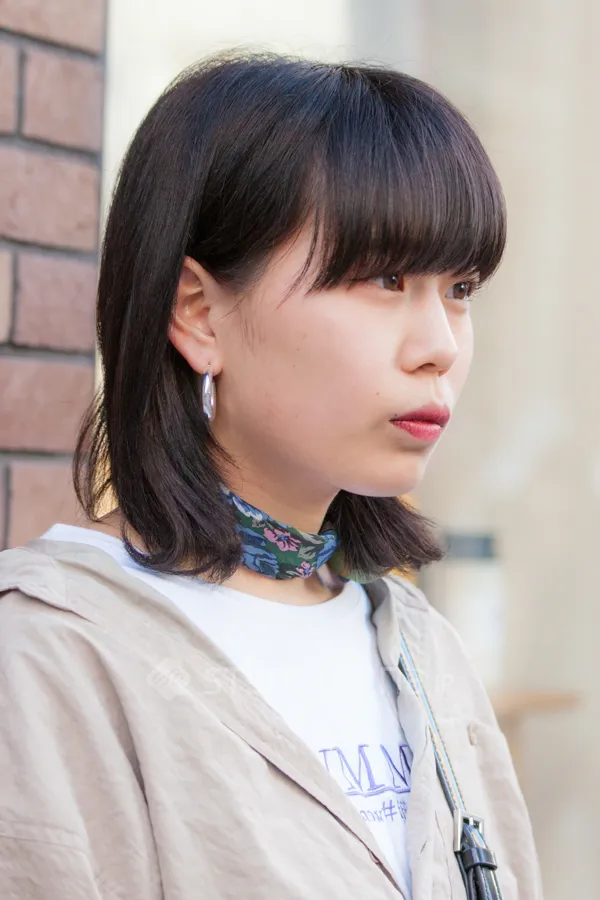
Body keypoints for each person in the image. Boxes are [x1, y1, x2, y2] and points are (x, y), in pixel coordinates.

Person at [0, 53, 542, 899]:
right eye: (385, 278)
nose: (439, 345)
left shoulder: (419, 644)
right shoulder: (50, 655)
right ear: (198, 313)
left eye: (461, 287)